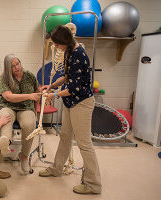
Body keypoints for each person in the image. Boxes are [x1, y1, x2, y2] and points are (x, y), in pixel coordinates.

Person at [38, 25, 102, 195]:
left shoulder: (79, 55)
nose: (56, 48)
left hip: (81, 103)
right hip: (70, 102)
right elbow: (67, 76)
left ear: (65, 41)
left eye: (58, 44)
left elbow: (73, 87)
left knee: (84, 144)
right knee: (65, 137)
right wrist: (51, 85)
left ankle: (93, 184)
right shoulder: (69, 52)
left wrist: (54, 94)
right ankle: (57, 169)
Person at [0, 54, 41, 174]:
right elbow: (8, 97)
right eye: (13, 66)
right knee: (6, 118)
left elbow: (37, 94)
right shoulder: (3, 78)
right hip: (7, 105)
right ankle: (5, 140)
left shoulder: (30, 76)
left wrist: (35, 112)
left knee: (29, 124)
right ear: (7, 68)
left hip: (26, 107)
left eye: (18, 64)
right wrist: (29, 96)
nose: (16, 67)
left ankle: (24, 156)